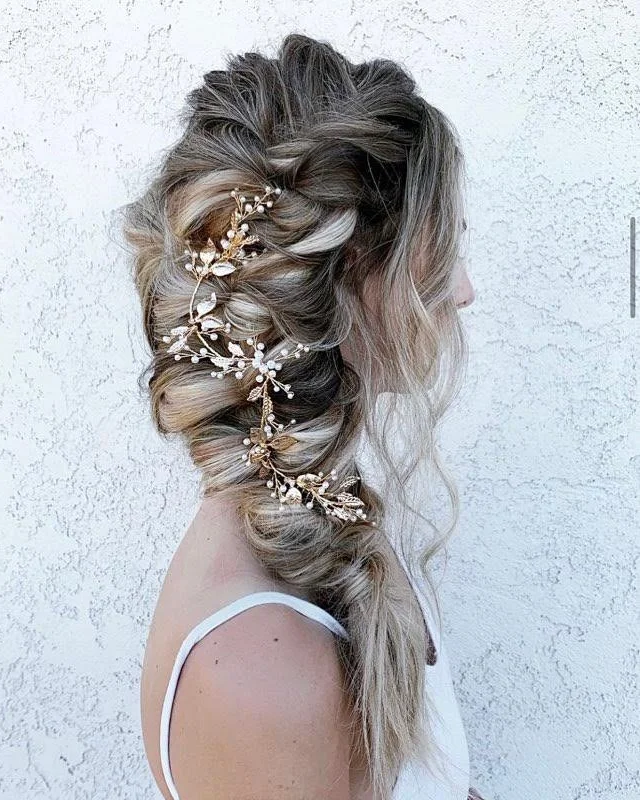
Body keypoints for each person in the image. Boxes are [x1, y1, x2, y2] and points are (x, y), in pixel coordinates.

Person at [121, 32, 484, 800]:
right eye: (440, 247)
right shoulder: (268, 667)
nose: (463, 291)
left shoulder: (320, 517)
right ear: (349, 276)